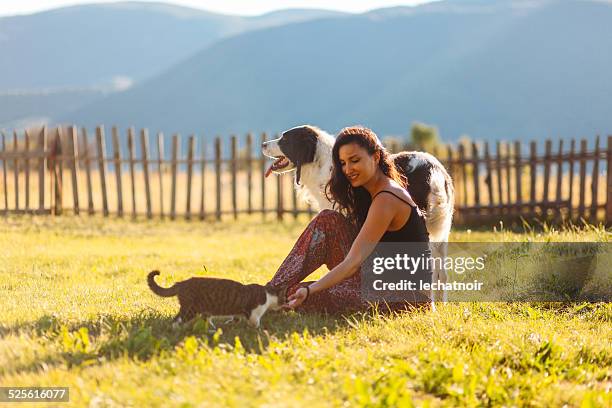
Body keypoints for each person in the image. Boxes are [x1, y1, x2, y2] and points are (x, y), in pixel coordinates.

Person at [267, 126, 430, 313]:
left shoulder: (387, 198)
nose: (348, 169)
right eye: (343, 163)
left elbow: (352, 262)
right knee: (327, 220)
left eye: (355, 160)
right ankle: (269, 293)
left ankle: (267, 298)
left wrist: (309, 290)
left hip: (407, 298)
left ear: (376, 157)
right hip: (377, 279)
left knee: (298, 293)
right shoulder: (370, 191)